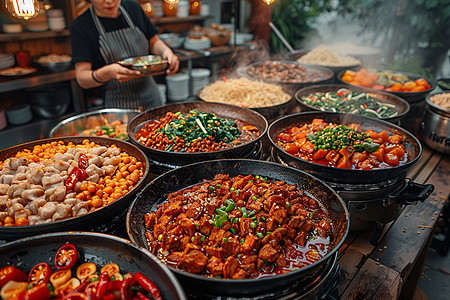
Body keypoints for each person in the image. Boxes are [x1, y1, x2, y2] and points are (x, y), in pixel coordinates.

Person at [70, 0, 179, 110]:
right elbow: (82, 78)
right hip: (119, 105)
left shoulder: (133, 7)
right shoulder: (81, 26)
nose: (109, 1)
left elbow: (153, 41)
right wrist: (108, 73)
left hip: (152, 96)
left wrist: (165, 51)